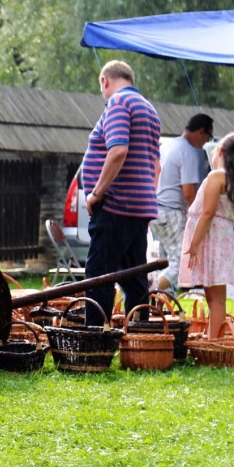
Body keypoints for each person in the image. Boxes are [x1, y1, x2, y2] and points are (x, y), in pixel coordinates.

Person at [82, 60, 161, 325]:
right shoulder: (149, 109)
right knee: (135, 276)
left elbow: (118, 150)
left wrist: (96, 193)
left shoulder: (118, 103)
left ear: (105, 80)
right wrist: (148, 199)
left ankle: (93, 339)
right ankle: (140, 334)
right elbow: (155, 166)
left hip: (115, 205)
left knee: (99, 276)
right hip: (139, 207)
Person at [178, 133, 234, 338]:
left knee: (215, 298)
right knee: (216, 297)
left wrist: (195, 243)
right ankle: (213, 336)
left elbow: (207, 213)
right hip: (222, 239)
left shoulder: (216, 176)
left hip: (212, 240)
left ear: (221, 152)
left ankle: (214, 340)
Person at [150, 113, 213, 293]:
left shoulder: (169, 145)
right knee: (180, 264)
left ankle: (159, 309)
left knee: (161, 263)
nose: (206, 142)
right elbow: (188, 193)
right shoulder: (189, 152)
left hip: (155, 211)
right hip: (172, 213)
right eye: (208, 137)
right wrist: (199, 217)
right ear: (201, 132)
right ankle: (146, 293)